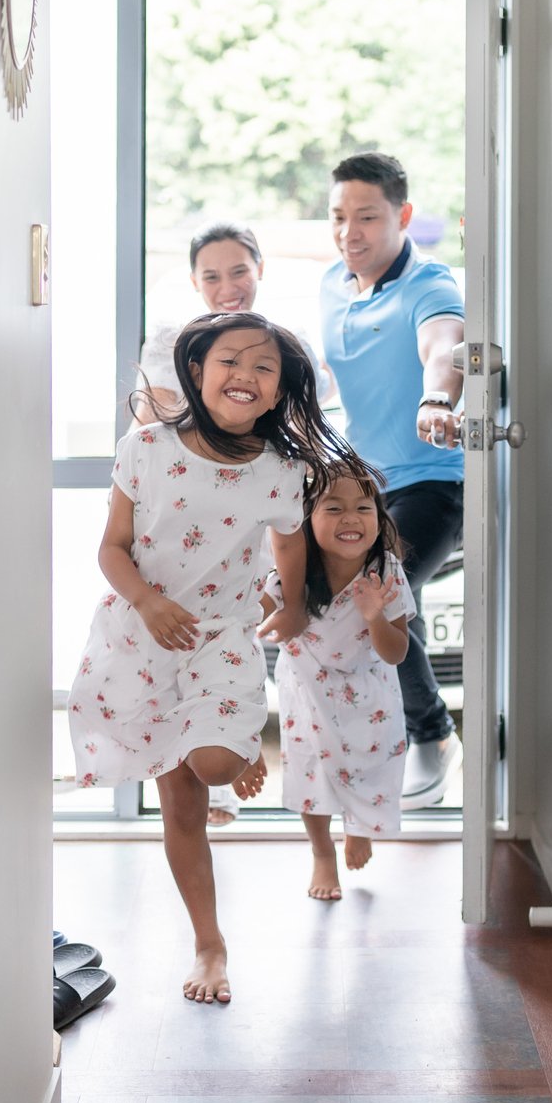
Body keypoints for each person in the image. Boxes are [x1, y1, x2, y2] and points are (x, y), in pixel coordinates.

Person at [65, 311, 346, 1004]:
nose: (245, 375)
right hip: (144, 634)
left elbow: (289, 546)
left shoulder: (282, 470)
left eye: (263, 367)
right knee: (183, 806)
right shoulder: (145, 447)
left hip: (220, 636)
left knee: (215, 764)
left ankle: (234, 742)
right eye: (230, 360)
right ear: (197, 370)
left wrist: (292, 605)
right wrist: (147, 601)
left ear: (280, 389)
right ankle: (209, 944)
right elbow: (112, 547)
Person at [135, 222, 329, 825]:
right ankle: (213, 772)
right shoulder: (177, 345)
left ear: (260, 269)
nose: (228, 286)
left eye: (239, 271)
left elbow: (309, 425)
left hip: (254, 512)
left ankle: (234, 745)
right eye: (212, 275)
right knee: (176, 654)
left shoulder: (282, 346)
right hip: (182, 520)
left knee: (238, 635)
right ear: (194, 281)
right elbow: (154, 417)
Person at [307, 152, 467, 808]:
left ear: (403, 217)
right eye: (338, 217)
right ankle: (405, 738)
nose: (350, 232)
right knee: (389, 595)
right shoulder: (332, 284)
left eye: (367, 217)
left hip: (433, 481)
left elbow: (444, 345)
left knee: (373, 589)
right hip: (363, 486)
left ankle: (432, 735)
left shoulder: (428, 284)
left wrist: (438, 399)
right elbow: (332, 375)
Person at [265, 458, 413, 900]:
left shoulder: (386, 570)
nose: (351, 518)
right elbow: (254, 614)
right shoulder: (292, 570)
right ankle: (322, 853)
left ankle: (361, 825)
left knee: (372, 765)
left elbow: (397, 652)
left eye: (363, 508)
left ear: (378, 518)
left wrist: (375, 617)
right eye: (333, 508)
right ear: (305, 520)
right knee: (310, 773)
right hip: (306, 692)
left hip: (370, 693)